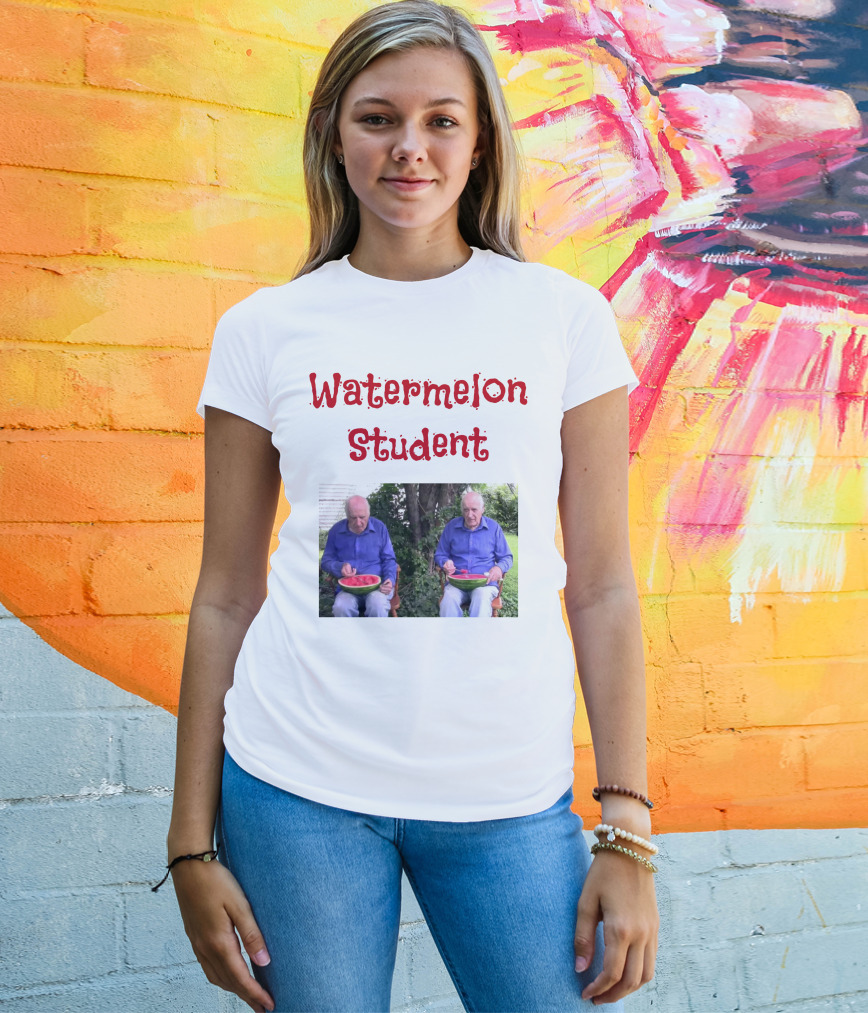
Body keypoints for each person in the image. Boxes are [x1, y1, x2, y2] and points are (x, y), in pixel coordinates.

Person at [165, 3, 659, 1011]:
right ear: (333, 135)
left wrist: (626, 824)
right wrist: (188, 845)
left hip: (511, 800)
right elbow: (224, 593)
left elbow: (603, 585)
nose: (409, 149)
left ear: (480, 145)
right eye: (377, 118)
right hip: (294, 788)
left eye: (442, 120)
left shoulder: (563, 319)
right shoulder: (265, 330)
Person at [435, 489, 512, 617]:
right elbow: (440, 554)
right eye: (466, 510)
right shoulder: (451, 527)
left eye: (474, 510)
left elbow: (507, 557)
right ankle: (452, 635)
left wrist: (499, 568)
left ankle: (477, 636)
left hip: (485, 585)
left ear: (483, 509)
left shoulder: (494, 528)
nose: (470, 515)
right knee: (448, 601)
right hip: (457, 584)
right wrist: (445, 562)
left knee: (481, 598)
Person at [321, 494, 397, 616]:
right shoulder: (336, 531)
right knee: (341, 607)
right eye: (353, 518)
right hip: (348, 590)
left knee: (377, 606)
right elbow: (325, 561)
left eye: (362, 517)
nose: (358, 523)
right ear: (347, 516)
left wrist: (390, 579)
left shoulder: (380, 528)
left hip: (377, 587)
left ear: (369, 514)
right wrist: (339, 566)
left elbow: (389, 559)